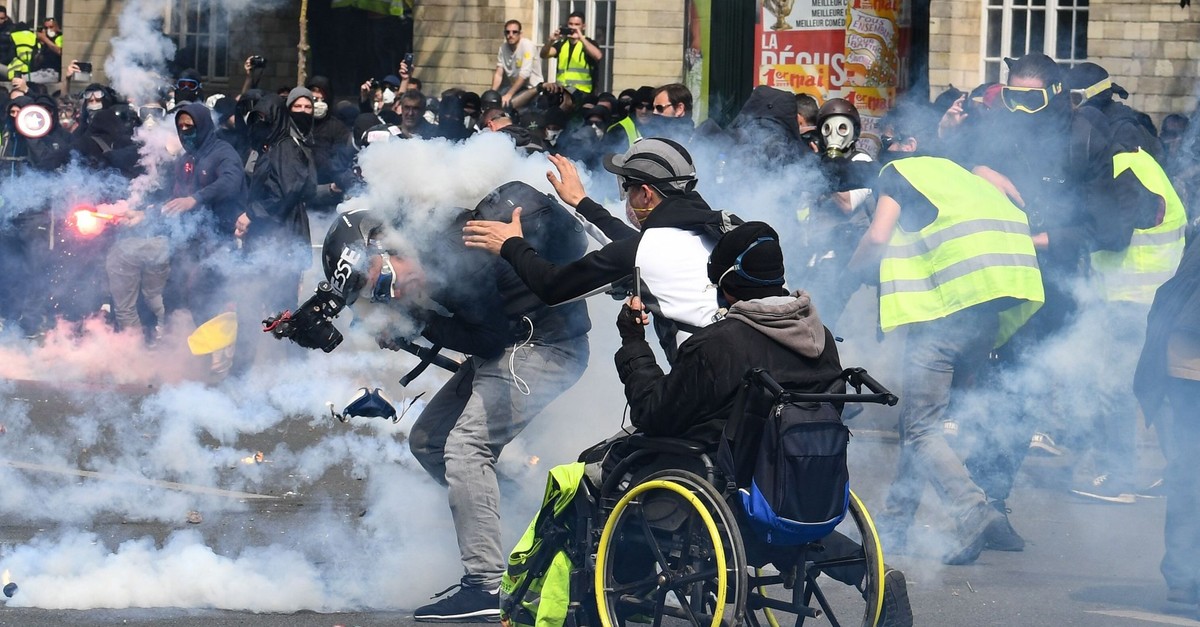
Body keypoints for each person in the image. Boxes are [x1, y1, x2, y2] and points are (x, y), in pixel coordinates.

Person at [307, 203, 590, 622]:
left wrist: (416, 322)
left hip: (546, 347)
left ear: (387, 246)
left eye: (385, 281)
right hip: (513, 344)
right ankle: (529, 526)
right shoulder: (419, 242)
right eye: (379, 293)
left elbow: (487, 340)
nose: (392, 294)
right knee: (429, 441)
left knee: (465, 447)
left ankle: (486, 585)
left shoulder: (456, 255)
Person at [850, 102, 1045, 566]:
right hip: (985, 314)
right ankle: (896, 520)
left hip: (944, 317)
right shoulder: (963, 174)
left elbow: (878, 237)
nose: (886, 153)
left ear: (908, 144)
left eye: (890, 142)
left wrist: (850, 272)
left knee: (922, 428)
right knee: (919, 420)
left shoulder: (900, 171)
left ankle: (973, 510)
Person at [463, 138, 741, 363]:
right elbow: (631, 242)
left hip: (710, 385)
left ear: (646, 193)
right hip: (758, 369)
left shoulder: (645, 251)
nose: (626, 198)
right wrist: (581, 202)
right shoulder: (721, 226)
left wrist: (511, 244)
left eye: (628, 187)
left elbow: (553, 287)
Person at [1134, 238, 1200, 608]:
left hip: (1185, 357)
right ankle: (1184, 574)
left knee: (1191, 469)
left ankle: (1183, 576)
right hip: (1190, 358)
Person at [539, 11, 602, 94]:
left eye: (577, 25)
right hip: (562, 91)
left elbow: (598, 56)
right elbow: (544, 55)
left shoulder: (588, 43)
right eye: (571, 24)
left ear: (583, 27)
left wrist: (581, 38)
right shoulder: (562, 44)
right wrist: (551, 41)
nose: (573, 27)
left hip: (583, 93)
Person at [492, 19, 542, 111]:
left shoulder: (527, 46)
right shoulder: (503, 48)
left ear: (520, 34)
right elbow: (499, 74)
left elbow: (524, 75)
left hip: (532, 88)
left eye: (514, 32)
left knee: (508, 105)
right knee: (494, 102)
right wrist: (492, 93)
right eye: (508, 32)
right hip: (515, 87)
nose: (510, 35)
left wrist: (509, 94)